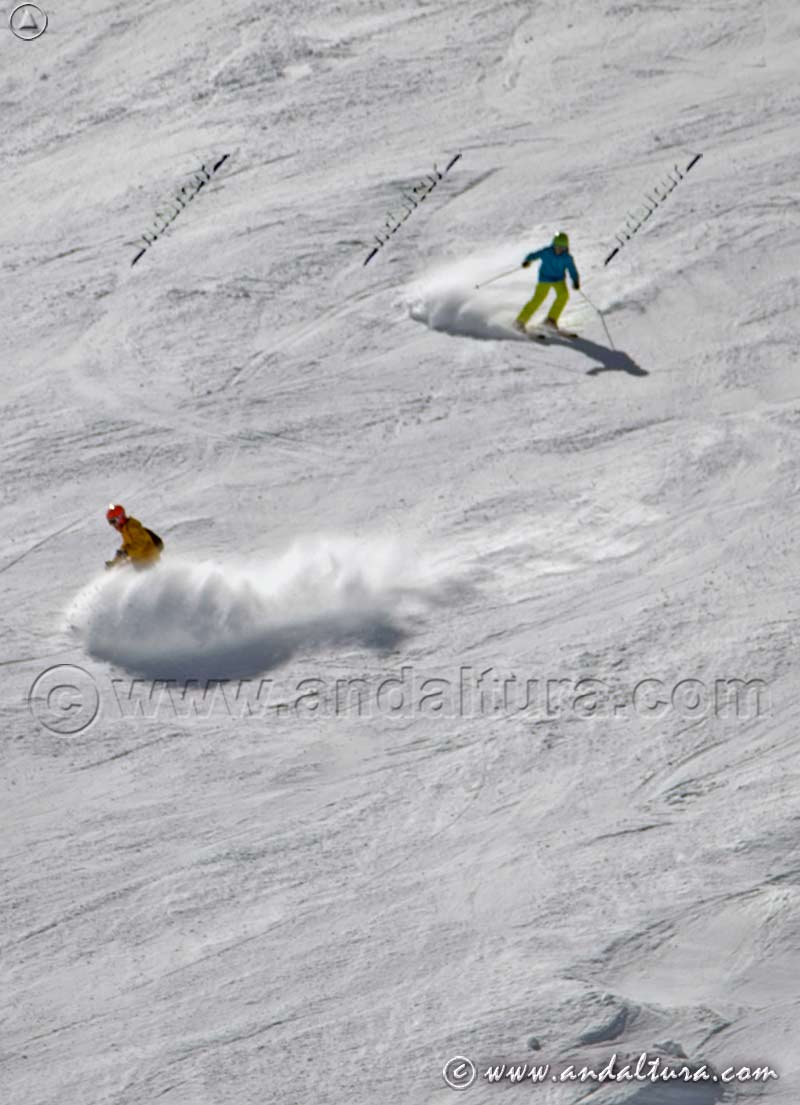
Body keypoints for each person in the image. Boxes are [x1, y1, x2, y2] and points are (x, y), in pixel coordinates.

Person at [514, 231, 580, 334]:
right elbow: (534, 255)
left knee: (564, 295)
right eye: (557, 246)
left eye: (562, 248)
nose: (559, 250)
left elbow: (572, 270)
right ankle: (520, 321)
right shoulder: (547, 252)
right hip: (545, 279)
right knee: (538, 299)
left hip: (559, 280)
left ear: (566, 248)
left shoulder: (567, 258)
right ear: (553, 245)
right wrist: (527, 261)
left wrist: (575, 280)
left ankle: (551, 320)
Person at [105, 503, 163, 570]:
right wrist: (114, 563)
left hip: (149, 560)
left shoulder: (132, 528)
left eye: (113, 521)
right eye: (110, 522)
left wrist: (126, 552)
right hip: (141, 561)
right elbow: (126, 547)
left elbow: (141, 544)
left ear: (120, 518)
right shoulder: (125, 530)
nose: (112, 525)